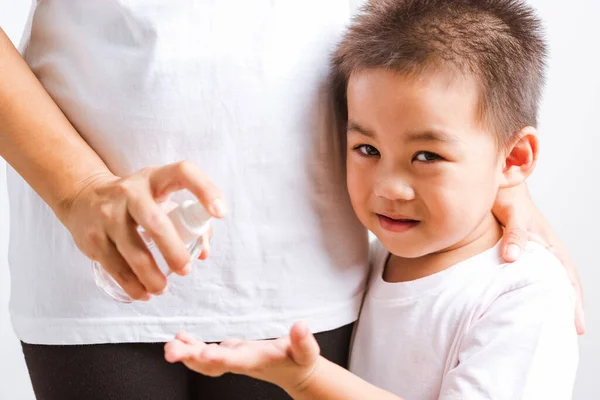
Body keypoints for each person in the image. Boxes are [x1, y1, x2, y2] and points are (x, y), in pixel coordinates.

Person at [163, 1, 580, 399]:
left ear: (514, 158)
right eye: (367, 149)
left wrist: (310, 380)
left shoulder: (523, 294)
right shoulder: (374, 260)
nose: (388, 188)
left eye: (427, 156)